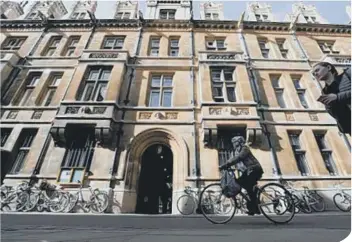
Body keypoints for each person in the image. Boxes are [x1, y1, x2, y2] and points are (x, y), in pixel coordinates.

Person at [219, 136, 263, 215]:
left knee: (242, 183)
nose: (233, 144)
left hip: (254, 169)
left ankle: (254, 206)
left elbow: (239, 158)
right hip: (248, 171)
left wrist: (226, 165)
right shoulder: (237, 151)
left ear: (239, 142)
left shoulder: (244, 149)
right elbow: (233, 159)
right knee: (247, 187)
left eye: (235, 142)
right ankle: (254, 207)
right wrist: (226, 165)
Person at [312, 62, 351, 135]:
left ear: (328, 68)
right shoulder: (325, 91)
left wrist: (337, 97)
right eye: (313, 74)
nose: (315, 74)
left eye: (317, 70)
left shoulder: (348, 74)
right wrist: (329, 106)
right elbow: (336, 114)